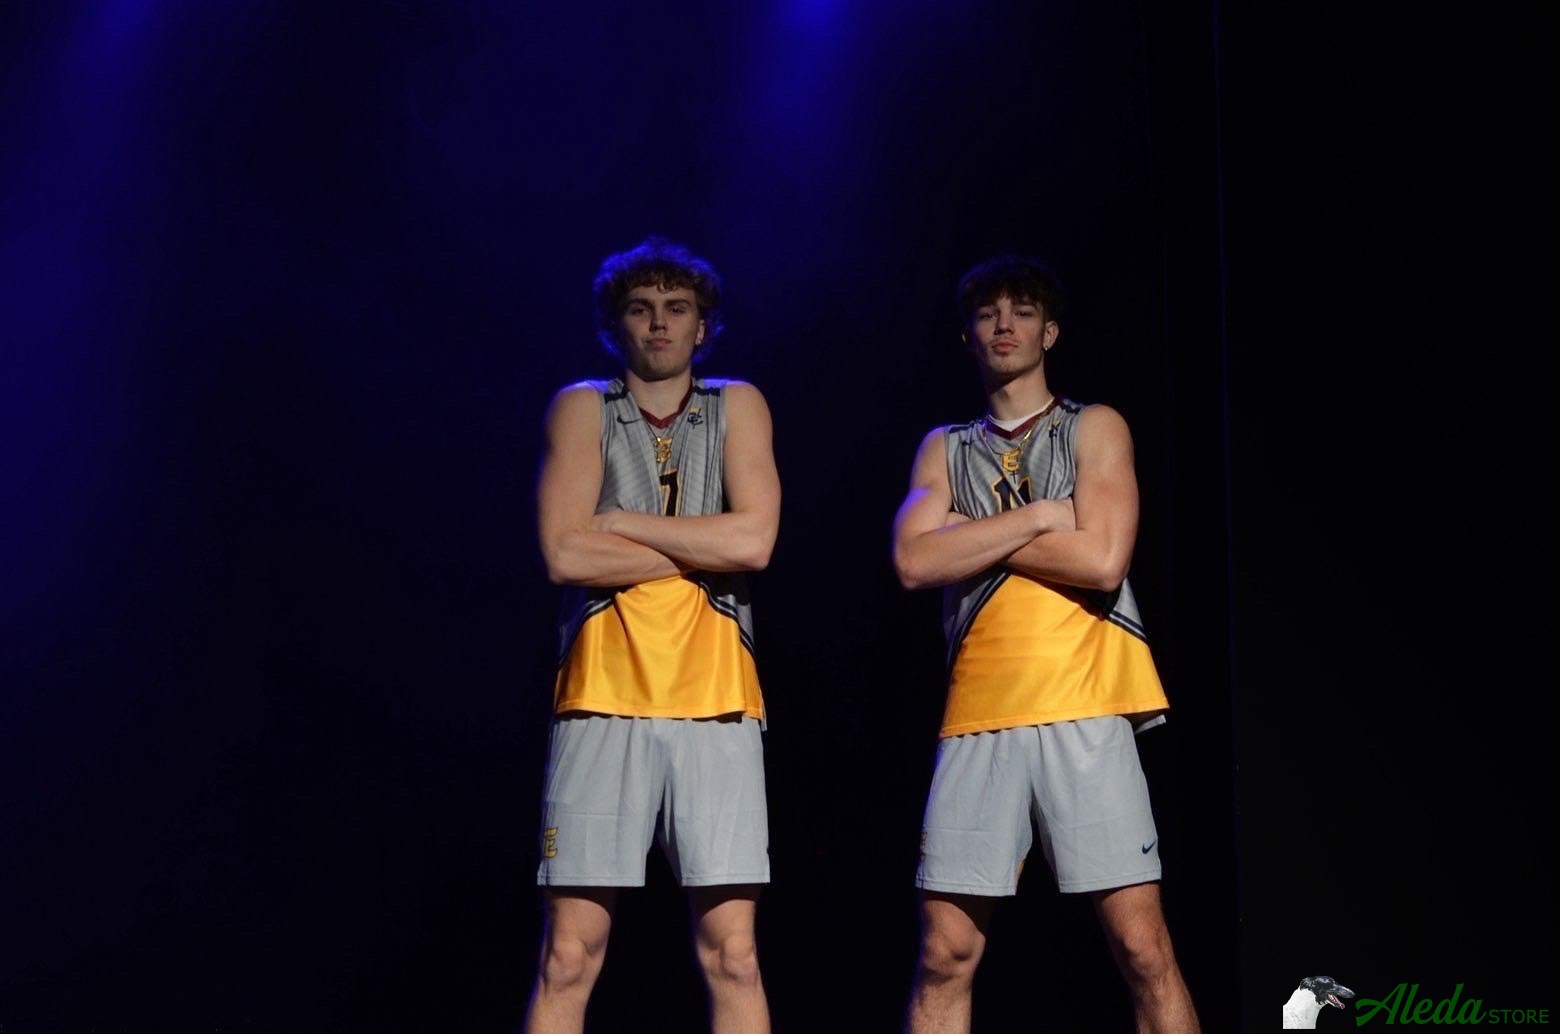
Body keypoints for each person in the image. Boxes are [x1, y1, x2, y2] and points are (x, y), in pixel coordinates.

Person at [892, 254, 1199, 1033]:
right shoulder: (943, 446)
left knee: (1142, 949)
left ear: (1049, 332)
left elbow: (1102, 560)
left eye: (1022, 312)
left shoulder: (1094, 425)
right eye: (988, 313)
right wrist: (1037, 516)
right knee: (945, 955)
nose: (1004, 325)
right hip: (978, 716)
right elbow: (914, 560)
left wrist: (970, 532)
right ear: (966, 336)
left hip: (1086, 707)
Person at [526, 237, 780, 1034]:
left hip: (717, 702)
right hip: (600, 699)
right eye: (641, 309)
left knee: (733, 955)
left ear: (704, 326)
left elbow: (755, 543)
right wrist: (702, 544)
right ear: (617, 325)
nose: (660, 324)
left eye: (677, 308)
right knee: (569, 957)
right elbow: (565, 554)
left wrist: (620, 524)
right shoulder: (582, 406)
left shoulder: (738, 403)